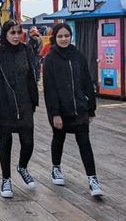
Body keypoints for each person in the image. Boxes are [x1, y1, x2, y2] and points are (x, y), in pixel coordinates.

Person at [43, 23, 103, 197]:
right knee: (58, 138)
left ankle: (93, 179)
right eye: (60, 36)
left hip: (80, 109)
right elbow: (50, 88)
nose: (63, 39)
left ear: (71, 37)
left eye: (66, 36)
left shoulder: (78, 56)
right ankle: (56, 168)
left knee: (85, 143)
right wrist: (55, 113)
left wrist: (91, 107)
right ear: (55, 38)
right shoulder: (50, 59)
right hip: (60, 110)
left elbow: (86, 81)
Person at [0, 19, 39, 198]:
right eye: (12, 33)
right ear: (5, 34)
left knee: (28, 142)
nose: (16, 36)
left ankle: (22, 167)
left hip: (25, 104)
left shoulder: (27, 50)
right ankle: (6, 179)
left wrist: (34, 100)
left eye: (18, 32)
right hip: (4, 105)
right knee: (6, 143)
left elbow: (32, 75)